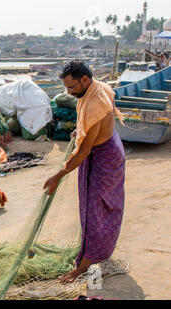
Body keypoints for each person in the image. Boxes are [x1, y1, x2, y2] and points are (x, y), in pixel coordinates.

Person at [43, 60, 126, 283]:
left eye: (72, 87)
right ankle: (95, 252)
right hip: (112, 148)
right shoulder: (100, 87)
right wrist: (82, 131)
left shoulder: (94, 103)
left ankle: (84, 266)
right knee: (101, 207)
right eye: (66, 88)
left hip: (103, 158)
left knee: (95, 211)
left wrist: (57, 176)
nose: (69, 92)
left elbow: (82, 154)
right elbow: (97, 122)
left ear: (85, 80)